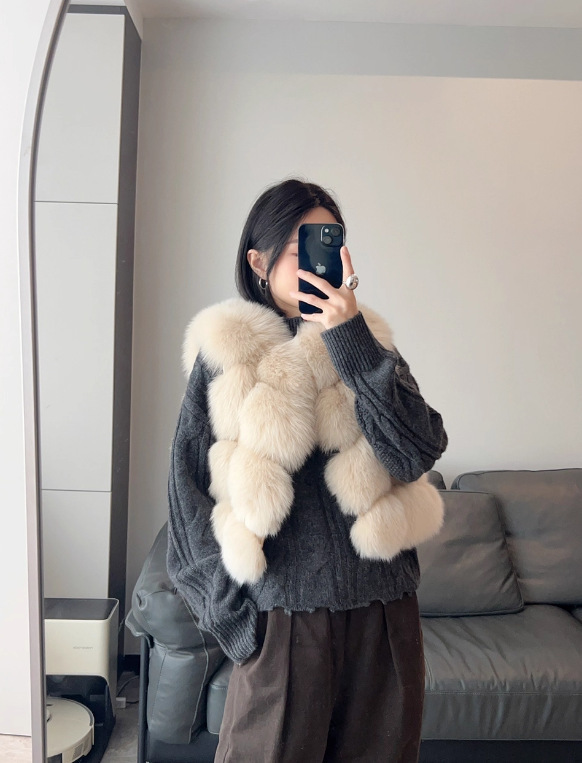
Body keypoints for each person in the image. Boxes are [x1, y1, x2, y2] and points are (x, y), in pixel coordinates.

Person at [166, 177, 449, 763]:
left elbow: (416, 451)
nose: (317, 261)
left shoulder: (368, 344)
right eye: (299, 248)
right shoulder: (227, 357)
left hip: (384, 613)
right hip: (281, 619)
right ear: (258, 262)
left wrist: (351, 339)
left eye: (328, 243)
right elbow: (184, 493)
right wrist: (231, 617)